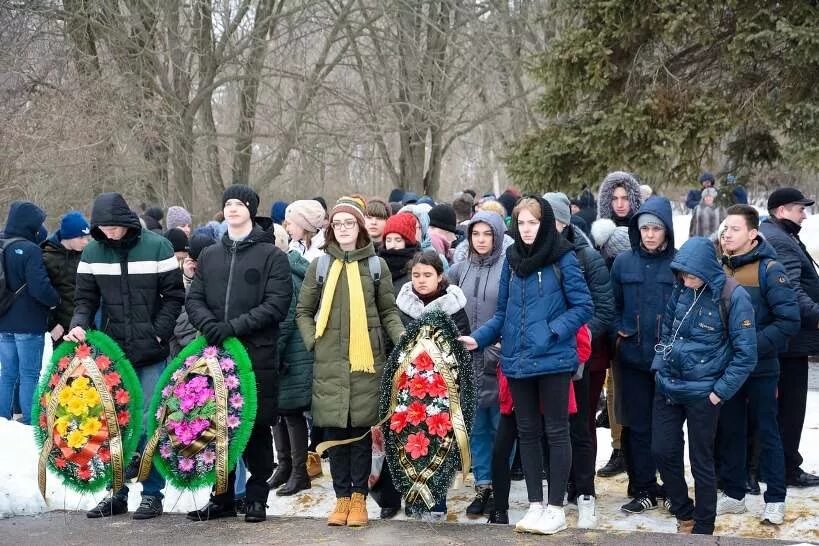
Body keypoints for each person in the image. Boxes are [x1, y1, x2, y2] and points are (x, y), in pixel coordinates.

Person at [459, 196, 593, 535]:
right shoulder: (512, 259)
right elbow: (502, 314)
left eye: (532, 222)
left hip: (553, 360)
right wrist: (480, 338)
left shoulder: (563, 258)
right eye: (521, 223)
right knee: (528, 433)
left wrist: (552, 331)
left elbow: (583, 306)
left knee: (556, 431)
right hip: (517, 362)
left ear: (545, 223)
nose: (527, 229)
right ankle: (536, 505)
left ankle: (557, 507)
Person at [65, 192, 185, 520]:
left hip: (151, 350)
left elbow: (174, 296)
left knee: (149, 421)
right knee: (113, 424)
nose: (110, 233)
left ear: (127, 221)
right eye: (103, 228)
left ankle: (151, 494)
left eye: (115, 227)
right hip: (113, 352)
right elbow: (85, 299)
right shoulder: (92, 251)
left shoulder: (157, 246)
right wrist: (79, 325)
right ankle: (116, 493)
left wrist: (158, 332)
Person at [185, 185, 292, 523]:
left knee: (255, 427)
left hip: (255, 354)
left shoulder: (271, 255)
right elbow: (194, 298)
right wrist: (210, 326)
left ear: (251, 209)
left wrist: (234, 327)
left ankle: (257, 496)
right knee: (217, 424)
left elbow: (276, 304)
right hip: (215, 353)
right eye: (227, 203)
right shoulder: (210, 255)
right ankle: (221, 496)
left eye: (238, 204)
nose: (232, 209)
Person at [296, 196, 404, 528]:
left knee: (359, 435)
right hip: (328, 361)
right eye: (337, 224)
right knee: (333, 433)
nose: (343, 229)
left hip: (366, 361)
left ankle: (359, 499)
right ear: (330, 230)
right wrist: (313, 341)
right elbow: (303, 310)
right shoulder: (320, 265)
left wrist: (402, 338)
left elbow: (388, 312)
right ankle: (341, 498)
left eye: (349, 223)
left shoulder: (376, 266)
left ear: (359, 228)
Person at [651, 236, 756, 535]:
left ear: (708, 268)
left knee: (702, 461)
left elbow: (746, 355)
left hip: (704, 393)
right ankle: (684, 511)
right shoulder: (680, 288)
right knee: (661, 450)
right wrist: (659, 367)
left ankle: (703, 527)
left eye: (692, 274)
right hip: (668, 385)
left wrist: (718, 393)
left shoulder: (733, 296)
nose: (686, 280)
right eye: (682, 273)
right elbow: (667, 332)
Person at [716, 204, 800, 524]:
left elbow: (788, 320)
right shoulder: (718, 268)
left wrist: (750, 347)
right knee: (731, 431)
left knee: (767, 431)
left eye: (734, 228)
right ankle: (735, 494)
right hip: (727, 369)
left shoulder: (769, 269)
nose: (726, 233)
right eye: (725, 228)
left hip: (762, 368)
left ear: (752, 235)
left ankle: (775, 499)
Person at [544, 192, 614, 527]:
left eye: (553, 220)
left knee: (581, 424)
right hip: (542, 355)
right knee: (550, 426)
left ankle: (584, 489)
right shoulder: (531, 257)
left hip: (578, 355)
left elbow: (603, 309)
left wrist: (576, 338)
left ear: (565, 223)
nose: (547, 227)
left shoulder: (587, 258)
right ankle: (560, 485)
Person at [610, 196, 676, 513]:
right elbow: (611, 305)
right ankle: (644, 487)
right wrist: (619, 333)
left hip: (668, 363)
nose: (650, 234)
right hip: (633, 358)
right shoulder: (624, 262)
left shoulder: (678, 263)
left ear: (667, 231)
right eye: (645, 228)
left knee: (667, 429)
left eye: (656, 229)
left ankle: (670, 486)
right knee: (637, 427)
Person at [447, 211, 507, 519]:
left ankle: (500, 487)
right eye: (476, 234)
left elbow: (513, 310)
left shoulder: (508, 266)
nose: (481, 240)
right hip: (466, 359)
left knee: (500, 427)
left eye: (487, 234)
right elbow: (446, 308)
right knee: (476, 428)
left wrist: (502, 343)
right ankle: (483, 485)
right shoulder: (459, 269)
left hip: (498, 361)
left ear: (497, 236)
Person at [758, 188, 819, 488]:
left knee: (782, 406)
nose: (804, 215)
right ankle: (786, 467)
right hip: (791, 341)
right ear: (782, 210)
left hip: (789, 339)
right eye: (799, 209)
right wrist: (816, 315)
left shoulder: (780, 234)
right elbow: (791, 290)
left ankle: (778, 464)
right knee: (790, 407)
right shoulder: (780, 240)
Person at [590, 171, 643, 481]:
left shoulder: (646, 230)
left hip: (637, 322)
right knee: (612, 390)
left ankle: (639, 449)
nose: (620, 204)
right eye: (615, 198)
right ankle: (619, 448)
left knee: (635, 387)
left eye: (625, 198)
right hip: (606, 321)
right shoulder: (599, 237)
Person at [0, 201, 59, 424]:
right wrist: (56, 300)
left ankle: (3, 418)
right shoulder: (31, 249)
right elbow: (39, 287)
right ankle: (29, 420)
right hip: (28, 322)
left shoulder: (2, 243)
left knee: (7, 374)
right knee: (29, 374)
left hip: (3, 321)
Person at [267, 234, 314, 497]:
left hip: (290, 354)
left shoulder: (285, 273)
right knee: (279, 412)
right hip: (283, 351)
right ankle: (284, 466)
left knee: (292, 414)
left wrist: (272, 355)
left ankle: (299, 472)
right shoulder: (281, 268)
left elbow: (284, 319)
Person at [41, 211, 91, 348]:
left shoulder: (87, 255)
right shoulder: (47, 258)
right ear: (68, 237)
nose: (86, 242)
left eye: (87, 237)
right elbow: (40, 294)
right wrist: (51, 324)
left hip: (87, 326)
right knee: (65, 369)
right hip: (62, 330)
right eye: (81, 237)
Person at [378, 212, 420, 295]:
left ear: (407, 242)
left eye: (398, 240)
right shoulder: (376, 264)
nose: (392, 245)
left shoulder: (419, 264)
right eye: (388, 240)